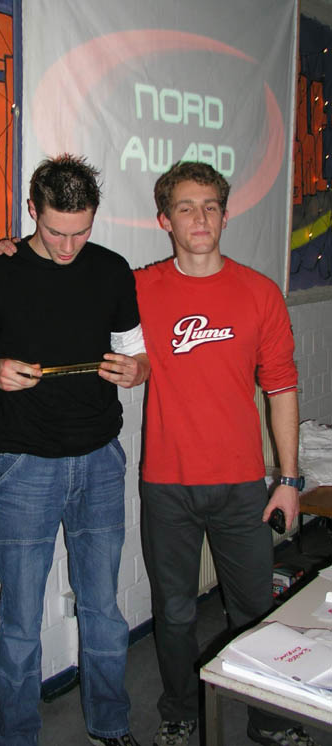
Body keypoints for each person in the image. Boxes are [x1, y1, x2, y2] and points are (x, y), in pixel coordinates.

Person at [0, 154, 149, 746]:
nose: (68, 247)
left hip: (100, 458)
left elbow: (138, 354)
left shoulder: (112, 269)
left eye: (81, 232)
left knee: (103, 609)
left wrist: (135, 371)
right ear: (32, 211)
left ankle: (111, 725)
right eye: (55, 232)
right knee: (20, 619)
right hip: (25, 464)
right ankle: (17, 737)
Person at [135, 161, 316, 746]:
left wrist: (289, 478)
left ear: (225, 214)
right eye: (186, 207)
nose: (200, 218)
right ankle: (179, 711)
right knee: (174, 612)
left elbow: (282, 388)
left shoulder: (259, 293)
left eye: (211, 206)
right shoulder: (140, 288)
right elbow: (70, 275)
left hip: (242, 486)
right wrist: (13, 249)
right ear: (165, 220)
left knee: (255, 609)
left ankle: (271, 719)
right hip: (167, 484)